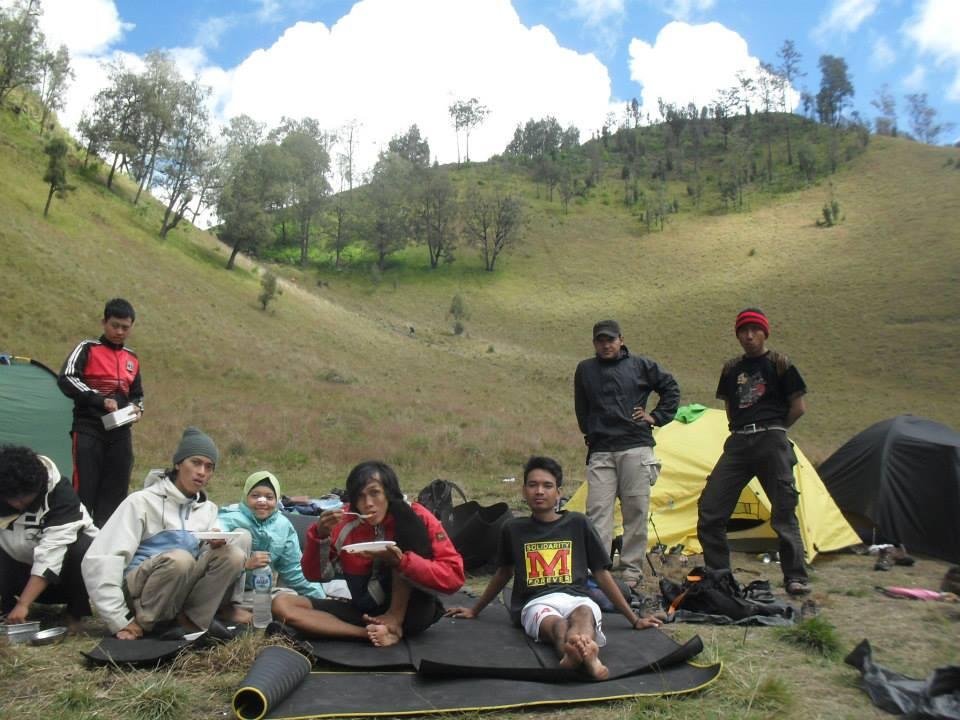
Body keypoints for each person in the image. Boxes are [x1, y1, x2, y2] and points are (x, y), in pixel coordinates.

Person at [446, 456, 662, 680]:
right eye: (533, 485)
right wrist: (475, 610)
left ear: (558, 492)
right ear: (523, 490)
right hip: (535, 602)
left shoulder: (578, 523)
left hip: (577, 597)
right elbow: (503, 573)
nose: (539, 491)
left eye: (547, 486)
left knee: (584, 615)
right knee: (557, 626)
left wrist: (634, 619)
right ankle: (585, 656)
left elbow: (601, 573)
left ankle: (580, 653)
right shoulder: (513, 529)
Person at [272, 460, 464, 647]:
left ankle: (393, 622)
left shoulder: (418, 516)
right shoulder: (344, 521)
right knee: (282, 604)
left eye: (375, 493)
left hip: (412, 614)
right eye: (360, 496)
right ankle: (368, 634)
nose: (368, 503)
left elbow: (454, 577)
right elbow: (316, 575)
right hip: (364, 611)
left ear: (389, 493)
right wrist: (320, 536)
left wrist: (402, 562)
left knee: (399, 551)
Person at [81, 427, 248, 640]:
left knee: (232, 555)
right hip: (136, 594)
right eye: (195, 462)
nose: (202, 472)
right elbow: (102, 560)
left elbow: (204, 560)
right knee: (180, 559)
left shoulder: (208, 509)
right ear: (178, 464)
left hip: (175, 590)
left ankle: (191, 622)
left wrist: (214, 544)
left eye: (209, 467)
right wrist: (118, 619)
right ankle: (142, 624)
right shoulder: (141, 502)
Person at [696, 308, 811, 596]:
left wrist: (774, 430)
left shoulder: (780, 363)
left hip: (772, 439)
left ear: (764, 332)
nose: (748, 336)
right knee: (711, 507)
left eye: (754, 330)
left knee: (783, 510)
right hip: (738, 443)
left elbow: (798, 407)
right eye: (743, 331)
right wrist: (743, 428)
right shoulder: (731, 368)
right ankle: (720, 576)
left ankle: (795, 577)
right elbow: (730, 408)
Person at [574, 319, 680, 589]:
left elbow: (671, 388)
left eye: (610, 339)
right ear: (594, 343)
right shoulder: (585, 369)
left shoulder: (641, 365)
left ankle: (632, 571)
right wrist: (591, 430)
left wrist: (655, 417)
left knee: (636, 510)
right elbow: (581, 406)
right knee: (597, 511)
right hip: (601, 450)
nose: (606, 344)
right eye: (600, 340)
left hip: (635, 446)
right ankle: (598, 569)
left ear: (621, 339)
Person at [58, 298, 144, 527]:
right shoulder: (87, 348)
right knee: (84, 487)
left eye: (125, 327)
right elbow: (66, 378)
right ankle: (77, 540)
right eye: (114, 325)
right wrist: (98, 399)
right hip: (88, 428)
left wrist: (138, 409)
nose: (119, 331)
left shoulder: (132, 358)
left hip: (120, 431)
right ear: (104, 322)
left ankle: (107, 540)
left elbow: (137, 395)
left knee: (116, 490)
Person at [0, 445, 98, 630]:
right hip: (17, 569)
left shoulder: (61, 497)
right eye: (15, 500)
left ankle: (75, 613)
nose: (20, 505)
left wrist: (24, 604)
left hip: (60, 579)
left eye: (25, 499)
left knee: (84, 547)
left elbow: (51, 554)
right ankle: (6, 609)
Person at [217, 470, 327, 603]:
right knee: (242, 534)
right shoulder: (230, 517)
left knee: (291, 597)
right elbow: (217, 534)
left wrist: (322, 600)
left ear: (277, 500)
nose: (262, 502)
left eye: (269, 497)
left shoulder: (283, 526)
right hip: (225, 590)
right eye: (255, 496)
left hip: (258, 590)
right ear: (246, 497)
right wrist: (245, 565)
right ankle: (227, 608)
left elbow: (293, 568)